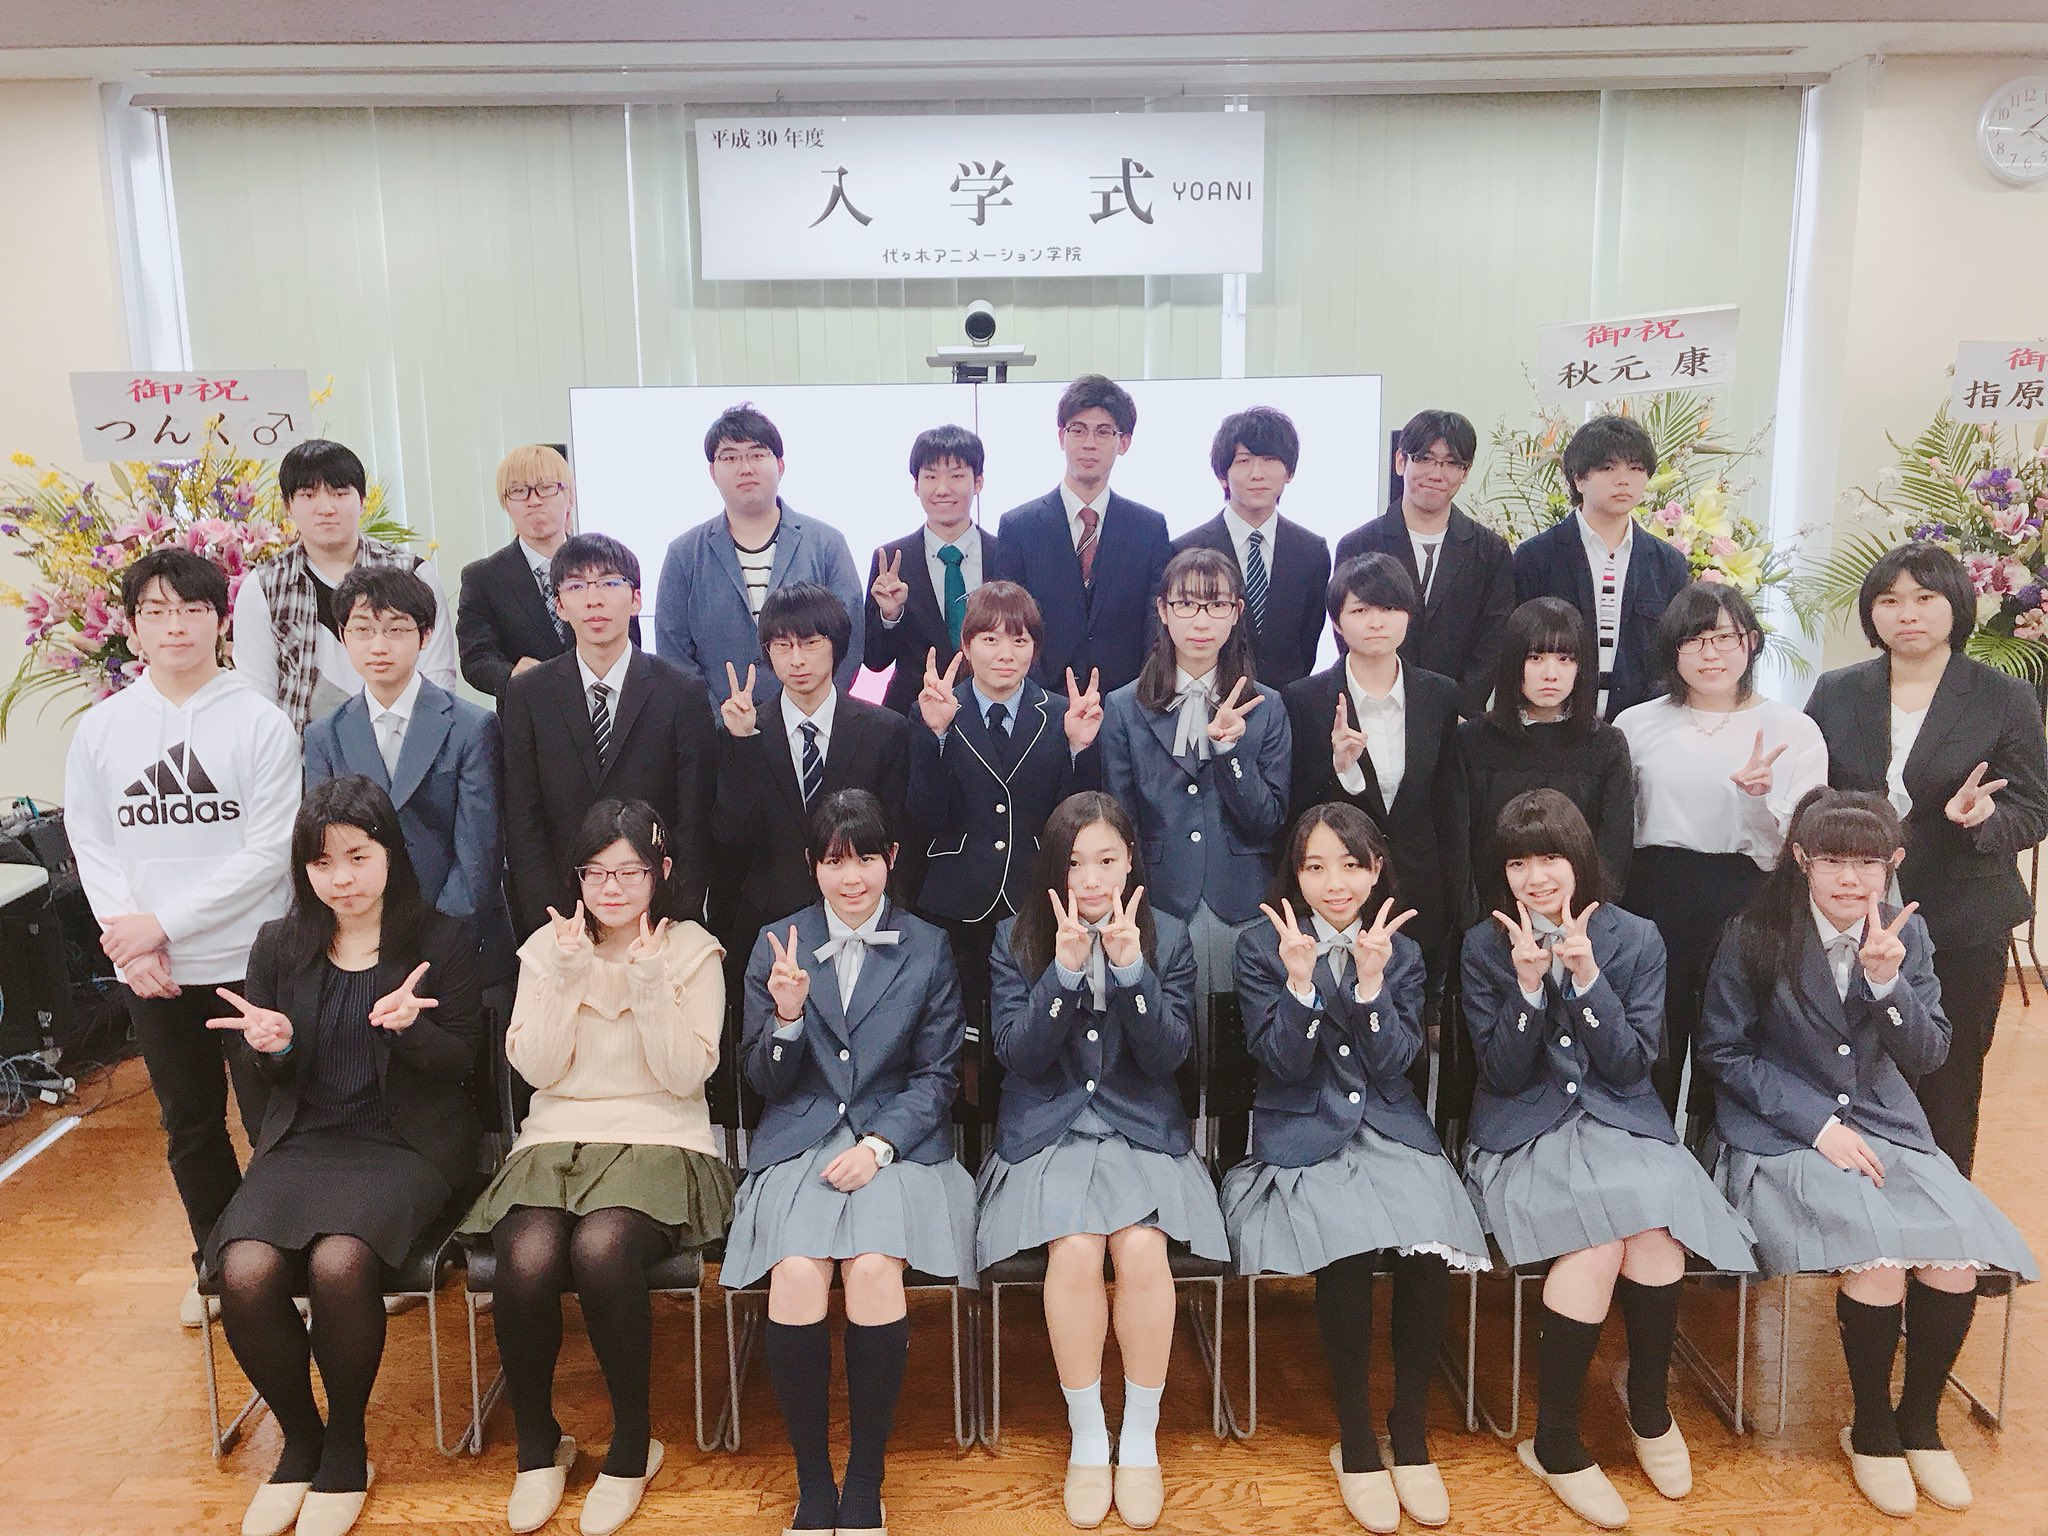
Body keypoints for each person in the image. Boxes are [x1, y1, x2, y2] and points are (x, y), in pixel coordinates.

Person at [1699, 787, 2037, 1518]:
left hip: (1885, 1125)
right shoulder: (1753, 933)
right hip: (1781, 1134)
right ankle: (1874, 1429)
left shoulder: (1909, 935)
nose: (1850, 879)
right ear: (1801, 860)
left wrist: (1887, 983)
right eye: (1832, 861)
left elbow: (1931, 1051)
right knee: (1877, 1256)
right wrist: (1817, 1126)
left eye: (1867, 864)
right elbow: (1723, 1054)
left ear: (1893, 864)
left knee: (1953, 1256)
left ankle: (1920, 1422)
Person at [1461, 790, 1755, 1530]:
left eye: (1550, 858)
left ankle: (1648, 1405)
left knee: (1654, 1233)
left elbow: (1631, 1066)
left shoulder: (1636, 938)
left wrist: (1588, 981)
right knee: (1595, 1244)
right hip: (1525, 1131)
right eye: (1518, 863)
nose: (1535, 877)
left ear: (1580, 860)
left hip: (1620, 1122)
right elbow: (1499, 1075)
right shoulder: (1483, 944)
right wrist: (1529, 988)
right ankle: (1555, 1441)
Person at [205, 776, 480, 1536]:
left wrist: (412, 1032)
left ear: (390, 853)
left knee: (339, 1262)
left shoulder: (441, 941)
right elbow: (271, 1073)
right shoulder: (279, 944)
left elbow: (464, 1066)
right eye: (322, 863)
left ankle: (347, 1445)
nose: (342, 879)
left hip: (402, 1144)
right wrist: (273, 1048)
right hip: (305, 1142)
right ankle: (300, 1439)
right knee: (243, 1270)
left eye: (358, 857)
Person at [457, 799, 730, 1536]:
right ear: (577, 877)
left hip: (660, 1136)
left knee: (603, 1250)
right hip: (557, 1136)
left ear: (660, 871)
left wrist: (648, 985)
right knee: (525, 1258)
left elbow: (684, 1076)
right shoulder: (548, 948)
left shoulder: (693, 949)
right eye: (596, 872)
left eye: (629, 871)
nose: (612, 888)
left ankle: (633, 1446)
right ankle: (539, 1445)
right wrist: (565, 977)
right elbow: (538, 1069)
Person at [1221, 804, 1487, 1532]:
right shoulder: (1262, 945)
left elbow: (1398, 1064)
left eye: (1350, 865)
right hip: (1302, 1132)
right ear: (1296, 875)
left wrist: (1371, 986)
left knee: (1426, 1248)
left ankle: (1409, 1429)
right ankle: (1359, 1439)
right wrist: (1300, 986)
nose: (1334, 883)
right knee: (1346, 1250)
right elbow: (1280, 1064)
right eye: (1315, 867)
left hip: (1390, 1130)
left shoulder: (1401, 949)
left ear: (1376, 871)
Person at [63, 548, 301, 1328]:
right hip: (154, 973)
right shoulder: (103, 729)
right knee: (190, 1126)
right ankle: (219, 1263)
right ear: (131, 629)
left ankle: (284, 1264)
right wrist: (132, 943)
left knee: (273, 1125)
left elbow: (269, 851)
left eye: (193, 609)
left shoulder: (259, 720)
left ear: (219, 622)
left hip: (249, 961)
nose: (176, 626)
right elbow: (91, 843)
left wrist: (162, 924)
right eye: (157, 612)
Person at [728, 789, 977, 1536]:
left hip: (897, 1147)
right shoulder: (777, 943)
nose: (853, 877)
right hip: (801, 1139)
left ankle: (865, 1478)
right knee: (798, 1274)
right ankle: (814, 1482)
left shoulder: (928, 946)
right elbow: (762, 1080)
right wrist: (787, 1018)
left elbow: (937, 1078)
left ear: (891, 859)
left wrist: (878, 1146)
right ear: (813, 866)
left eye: (867, 858)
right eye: (835, 861)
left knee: (872, 1270)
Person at [975, 793, 1226, 1533]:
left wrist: (1132, 971)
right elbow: (1016, 1058)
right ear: (1053, 867)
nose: (1090, 878)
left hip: (1139, 1130)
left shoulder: (1167, 935)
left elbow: (1170, 1058)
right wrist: (1059, 975)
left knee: (1142, 1249)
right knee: (1076, 1250)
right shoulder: (1015, 938)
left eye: (1107, 860)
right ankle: (1089, 1438)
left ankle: (1139, 1439)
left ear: (1130, 863)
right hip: (1048, 1133)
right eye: (1075, 861)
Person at [1803, 542, 2048, 1176]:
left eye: (1924, 597)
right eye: (1889, 600)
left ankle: (1945, 1215)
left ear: (1956, 605)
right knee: (1849, 1063)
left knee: (1951, 1072)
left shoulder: (2005, 696)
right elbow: (1812, 792)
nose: (1906, 613)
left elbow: (2034, 808)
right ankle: (1860, 1209)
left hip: (1963, 915)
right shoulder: (1836, 691)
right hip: (1850, 913)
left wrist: (1988, 816)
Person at [1613, 581, 1827, 1125]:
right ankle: (1649, 1150)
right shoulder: (1636, 724)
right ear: (1673, 650)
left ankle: (1719, 1153)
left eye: (1725, 638)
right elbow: (1617, 826)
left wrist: (1757, 800)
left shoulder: (1794, 729)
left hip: (1747, 896)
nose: (1710, 654)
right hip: (1653, 894)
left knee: (1731, 1034)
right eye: (1694, 640)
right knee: (1654, 1035)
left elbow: (1797, 848)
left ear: (1751, 642)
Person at [1101, 548, 1291, 1048]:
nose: (1200, 621)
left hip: (1241, 897)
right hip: (1159, 897)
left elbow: (1268, 819)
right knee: (1167, 1043)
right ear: (1163, 611)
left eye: (1216, 605)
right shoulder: (1124, 706)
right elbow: (1121, 822)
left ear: (1236, 612)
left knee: (1238, 1048)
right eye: (1186, 604)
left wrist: (1229, 753)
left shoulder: (1267, 706)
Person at [904, 581, 1104, 1013]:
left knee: (1033, 1021)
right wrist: (936, 735)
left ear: (1035, 649)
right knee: (957, 1024)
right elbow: (922, 817)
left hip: (1034, 898)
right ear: (966, 645)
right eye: (990, 640)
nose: (1005, 654)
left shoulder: (1062, 715)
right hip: (955, 900)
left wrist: (1078, 749)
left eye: (1019, 640)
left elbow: (1079, 821)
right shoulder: (935, 710)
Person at [304, 566, 510, 980]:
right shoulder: (324, 735)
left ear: (425, 634)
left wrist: (439, 944)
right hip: (359, 942)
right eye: (363, 630)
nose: (379, 646)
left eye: (396, 630)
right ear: (343, 636)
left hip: (459, 939)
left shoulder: (472, 726)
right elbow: (324, 848)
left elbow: (478, 853)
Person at [502, 534, 713, 937]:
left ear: (636, 600)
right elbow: (522, 819)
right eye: (576, 586)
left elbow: (694, 818)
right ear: (559, 605)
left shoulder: (681, 691)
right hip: (563, 919)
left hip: (659, 918)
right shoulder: (528, 693)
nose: (593, 599)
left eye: (609, 583)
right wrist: (551, 919)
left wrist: (673, 913)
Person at [1283, 553, 1465, 1015]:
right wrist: (1341, 769)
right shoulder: (1305, 700)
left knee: (1411, 1025)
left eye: (1388, 608)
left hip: (1422, 892)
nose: (1376, 622)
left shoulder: (1439, 694)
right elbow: (1297, 813)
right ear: (1337, 622)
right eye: (1360, 610)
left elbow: (1449, 804)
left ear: (1408, 614)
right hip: (1338, 897)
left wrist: (1457, 897)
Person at [716, 583, 911, 967]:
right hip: (767, 926)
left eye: (809, 643)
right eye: (782, 646)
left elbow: (899, 838)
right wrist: (743, 744)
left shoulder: (885, 731)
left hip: (863, 920)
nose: (796, 660)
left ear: (836, 645)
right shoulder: (742, 730)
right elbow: (730, 837)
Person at [231, 438, 456, 731]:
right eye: (308, 495)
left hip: (403, 744)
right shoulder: (264, 587)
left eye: (339, 493)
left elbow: (438, 681)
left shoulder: (412, 573)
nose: (326, 508)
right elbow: (257, 698)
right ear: (288, 506)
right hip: (301, 753)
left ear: (362, 500)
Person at [654, 403, 865, 712]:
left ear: (780, 465)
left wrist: (813, 711)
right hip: (715, 729)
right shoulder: (684, 554)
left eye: (757, 454)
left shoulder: (826, 544)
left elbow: (850, 639)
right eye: (730, 457)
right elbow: (672, 651)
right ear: (712, 471)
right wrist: (715, 720)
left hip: (811, 724)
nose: (745, 468)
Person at [988, 374, 1173, 695]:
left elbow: (1154, 622)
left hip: (1126, 699)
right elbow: (1010, 620)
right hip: (1041, 699)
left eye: (1103, 432)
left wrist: (1143, 695)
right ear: (1061, 436)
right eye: (1078, 429)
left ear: (1124, 442)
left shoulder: (1149, 528)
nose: (1089, 443)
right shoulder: (1019, 527)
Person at [1457, 598, 1633, 922]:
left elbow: (1613, 856)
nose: (1551, 674)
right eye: (1535, 658)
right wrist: (1485, 927)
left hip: (1580, 925)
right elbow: (1460, 850)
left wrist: (1578, 922)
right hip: (1491, 923)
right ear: (1513, 662)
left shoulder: (1606, 746)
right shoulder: (1473, 741)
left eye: (1565, 659)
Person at [1334, 409, 1515, 717]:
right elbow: (1347, 628)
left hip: (1457, 718)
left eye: (1451, 463)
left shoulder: (1490, 551)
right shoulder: (1359, 544)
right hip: (1374, 710)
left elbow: (1493, 642)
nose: (1436, 473)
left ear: (1465, 472)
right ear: (1400, 461)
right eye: (1425, 459)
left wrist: (1459, 710)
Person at [1511, 414, 1687, 721]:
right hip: (1554, 721)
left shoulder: (1667, 563)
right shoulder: (1536, 556)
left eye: (1636, 469)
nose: (1623, 480)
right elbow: (1515, 648)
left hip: (1643, 722)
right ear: (1579, 479)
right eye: (1608, 468)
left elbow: (1676, 650)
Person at [456, 444, 640, 701]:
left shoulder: (607, 566)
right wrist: (511, 674)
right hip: (530, 711)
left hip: (604, 705)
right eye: (519, 491)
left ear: (570, 497)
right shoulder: (483, 577)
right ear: (505, 503)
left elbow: (631, 642)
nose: (534, 501)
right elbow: (476, 658)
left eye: (546, 487)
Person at [1169, 406, 1331, 689]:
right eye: (1243, 461)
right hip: (1210, 698)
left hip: (1286, 703)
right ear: (1223, 474)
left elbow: (1307, 644)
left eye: (1270, 459)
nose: (1257, 473)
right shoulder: (1185, 550)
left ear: (1289, 471)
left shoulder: (1311, 552)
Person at [864, 424, 1002, 717]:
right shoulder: (891, 559)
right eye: (930, 476)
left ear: (978, 482)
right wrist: (891, 615)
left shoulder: (1005, 553)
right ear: (916, 486)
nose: (942, 489)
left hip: (992, 712)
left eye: (956, 476)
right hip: (912, 715)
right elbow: (874, 660)